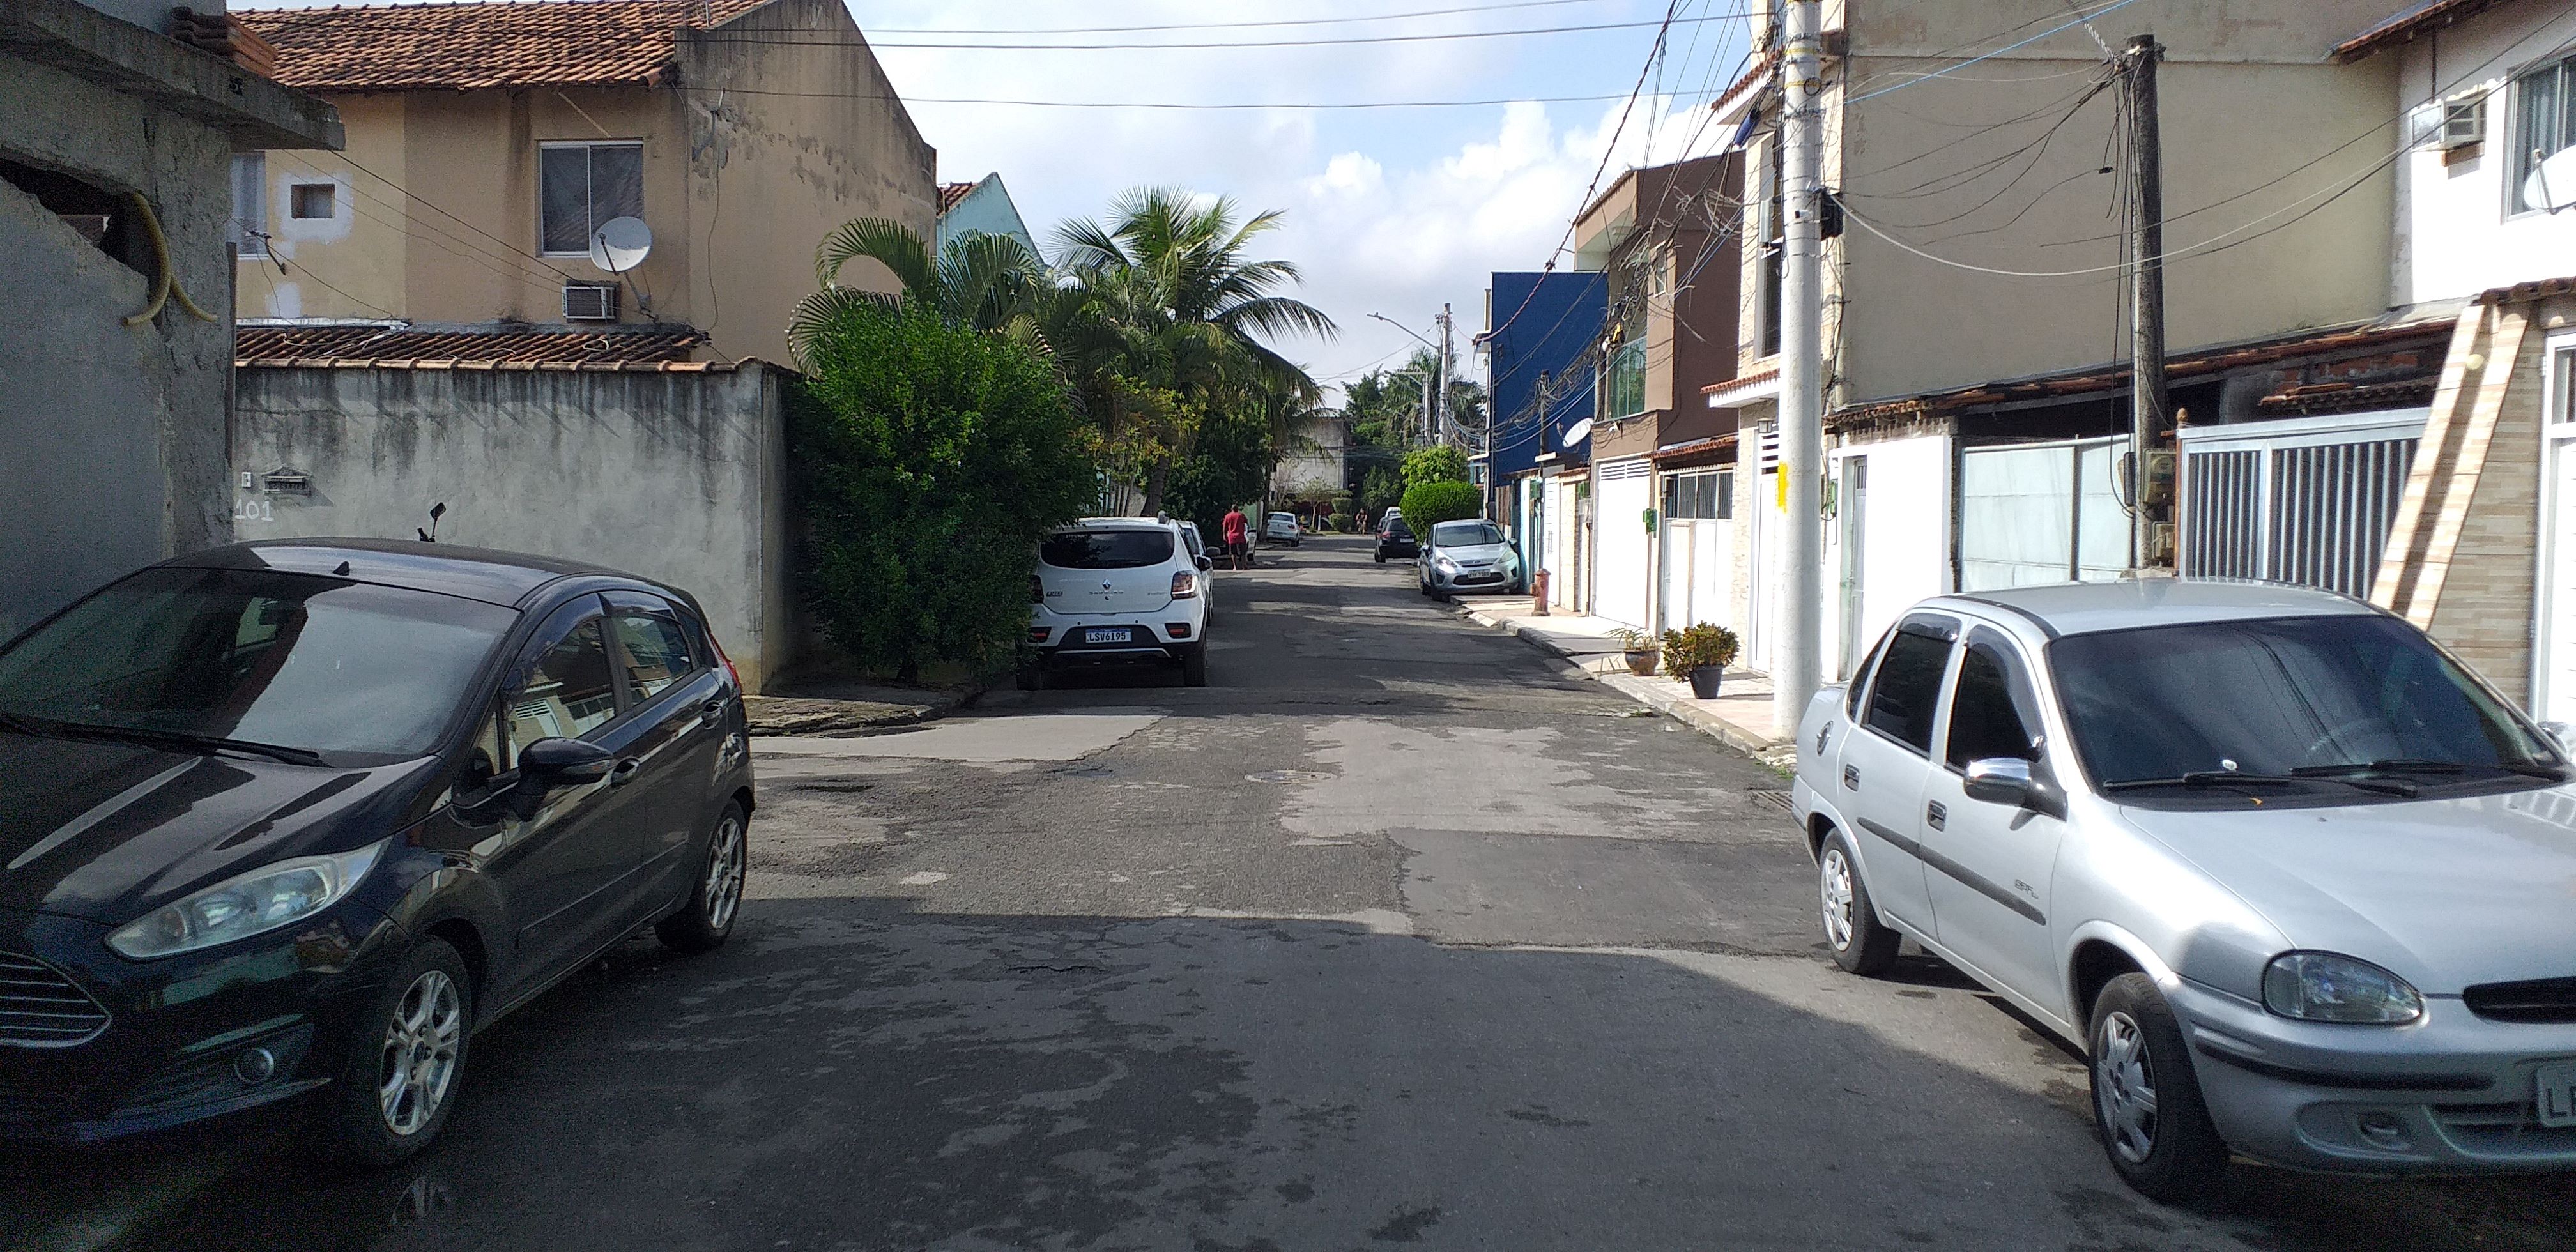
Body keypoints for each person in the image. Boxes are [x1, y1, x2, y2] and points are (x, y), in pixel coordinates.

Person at [1221, 505, 1250, 570]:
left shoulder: (1228, 516)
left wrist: (1224, 535)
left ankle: (1235, 566)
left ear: (1232, 509)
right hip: (1241, 536)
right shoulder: (1241, 515)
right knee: (1243, 552)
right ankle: (1244, 565)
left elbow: (1224, 527)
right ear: (1237, 509)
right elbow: (1247, 522)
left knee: (1233, 553)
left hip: (1232, 537)